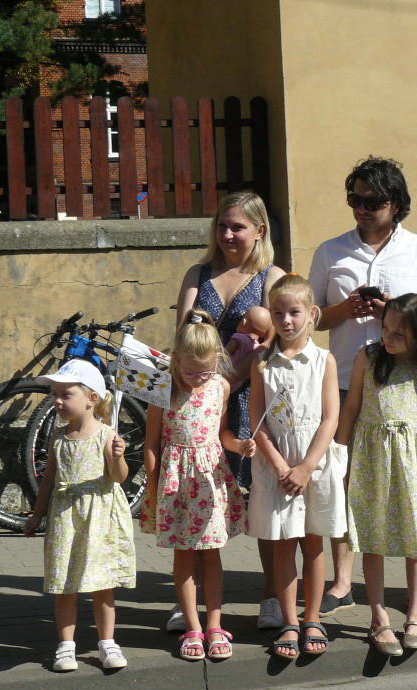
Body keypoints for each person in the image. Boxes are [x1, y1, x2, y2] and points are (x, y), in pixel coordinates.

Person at [309, 155, 417, 620]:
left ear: (396, 203)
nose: (361, 208)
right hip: (348, 380)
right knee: (347, 480)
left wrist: (399, 311)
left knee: (409, 485)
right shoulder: (330, 252)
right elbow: (309, 317)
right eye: (354, 199)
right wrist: (346, 309)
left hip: (406, 386)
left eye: (372, 201)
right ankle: (341, 581)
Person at [176, 191, 286, 631]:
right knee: (196, 499)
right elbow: (182, 337)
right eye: (222, 225)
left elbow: (280, 342)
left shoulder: (271, 276)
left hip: (252, 401)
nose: (226, 234)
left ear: (259, 230)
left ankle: (273, 594)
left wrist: (233, 380)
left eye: (237, 227)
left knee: (259, 499)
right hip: (200, 402)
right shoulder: (197, 273)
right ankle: (191, 603)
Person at [338, 294, 417, 655]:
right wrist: (340, 456)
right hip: (373, 458)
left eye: (399, 333)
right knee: (371, 536)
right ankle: (378, 618)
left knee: (415, 536)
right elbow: (352, 407)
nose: (389, 337)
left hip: (416, 464)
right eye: (385, 327)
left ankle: (415, 613)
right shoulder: (369, 357)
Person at [142, 309, 252, 661]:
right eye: (190, 371)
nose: (197, 378)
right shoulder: (163, 389)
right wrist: (154, 484)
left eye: (205, 370)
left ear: (217, 361)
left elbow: (221, 434)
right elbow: (151, 443)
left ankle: (215, 624)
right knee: (184, 556)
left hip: (210, 481)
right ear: (175, 361)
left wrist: (239, 446)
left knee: (212, 555)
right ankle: (192, 626)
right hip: (176, 484)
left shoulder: (219, 386)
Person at [247, 275, 347, 659]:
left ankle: (312, 617)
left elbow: (330, 419)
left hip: (314, 463)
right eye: (278, 313)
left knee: (313, 541)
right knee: (284, 543)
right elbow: (257, 419)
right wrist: (277, 464)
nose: (286, 320)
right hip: (277, 466)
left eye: (294, 312)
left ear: (312, 314)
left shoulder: (324, 360)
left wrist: (305, 467)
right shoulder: (262, 363)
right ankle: (289, 621)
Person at [24, 359, 136, 672]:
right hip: (65, 520)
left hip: (99, 519)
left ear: (91, 399)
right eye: (55, 394)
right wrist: (37, 515)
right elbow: (48, 479)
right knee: (65, 584)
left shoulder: (106, 435)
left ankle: (107, 643)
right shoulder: (57, 437)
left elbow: (117, 478)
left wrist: (118, 457)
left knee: (102, 585)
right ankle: (66, 647)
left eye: (65, 394)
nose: (57, 401)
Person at [226, 306, 273, 386]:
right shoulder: (257, 347)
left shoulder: (239, 337)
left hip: (226, 373)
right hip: (239, 382)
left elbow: (225, 352)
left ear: (243, 322)